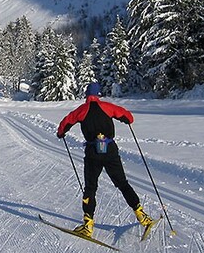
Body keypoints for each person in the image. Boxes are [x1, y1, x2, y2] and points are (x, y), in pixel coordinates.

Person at [56, 82, 153, 237]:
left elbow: (65, 123)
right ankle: (142, 215)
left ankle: (88, 225)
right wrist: (126, 119)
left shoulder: (81, 110)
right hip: (110, 151)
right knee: (122, 183)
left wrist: (61, 133)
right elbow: (128, 117)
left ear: (87, 96)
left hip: (93, 152)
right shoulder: (107, 107)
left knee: (90, 188)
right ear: (99, 95)